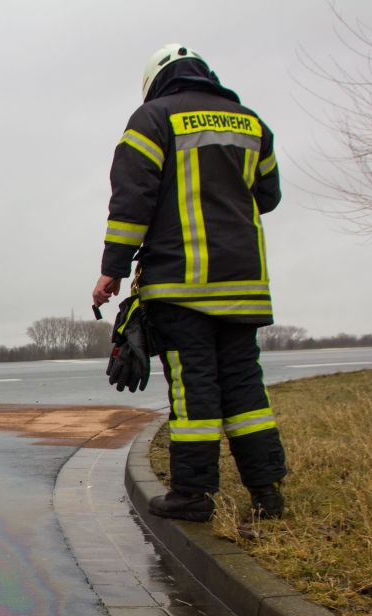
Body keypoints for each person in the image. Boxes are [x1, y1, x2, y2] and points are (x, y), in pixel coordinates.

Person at [93, 44, 287, 522]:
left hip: (182, 286)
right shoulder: (251, 123)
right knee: (245, 388)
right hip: (243, 285)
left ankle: (192, 495)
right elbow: (268, 196)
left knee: (193, 388)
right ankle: (267, 493)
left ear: (154, 82)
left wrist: (113, 269)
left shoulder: (153, 119)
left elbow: (131, 202)